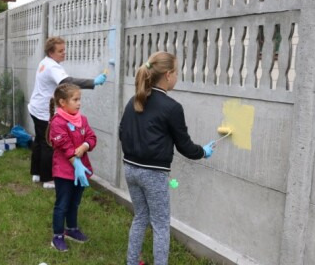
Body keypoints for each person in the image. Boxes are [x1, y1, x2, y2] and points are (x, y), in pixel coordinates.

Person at [119, 51, 215, 265]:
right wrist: (203, 151)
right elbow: (186, 146)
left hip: (130, 169)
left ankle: (131, 262)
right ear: (169, 74)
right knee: (161, 225)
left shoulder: (133, 100)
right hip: (153, 174)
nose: (177, 77)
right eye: (177, 72)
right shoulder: (172, 108)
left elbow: (121, 132)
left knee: (141, 217)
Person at [28, 37, 107, 189]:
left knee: (39, 141)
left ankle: (36, 173)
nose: (64, 53)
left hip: (35, 106)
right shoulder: (52, 67)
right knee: (47, 144)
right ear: (51, 52)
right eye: (60, 51)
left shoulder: (44, 62)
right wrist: (93, 82)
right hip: (44, 110)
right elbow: (67, 82)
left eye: (64, 49)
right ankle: (48, 179)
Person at [48, 83, 97, 252]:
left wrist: (85, 145)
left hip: (80, 171)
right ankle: (57, 236)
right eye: (75, 99)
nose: (79, 103)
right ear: (62, 102)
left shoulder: (82, 119)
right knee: (62, 203)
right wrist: (75, 160)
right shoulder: (58, 122)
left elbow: (91, 137)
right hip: (64, 172)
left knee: (74, 202)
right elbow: (64, 144)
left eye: (79, 99)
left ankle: (72, 229)